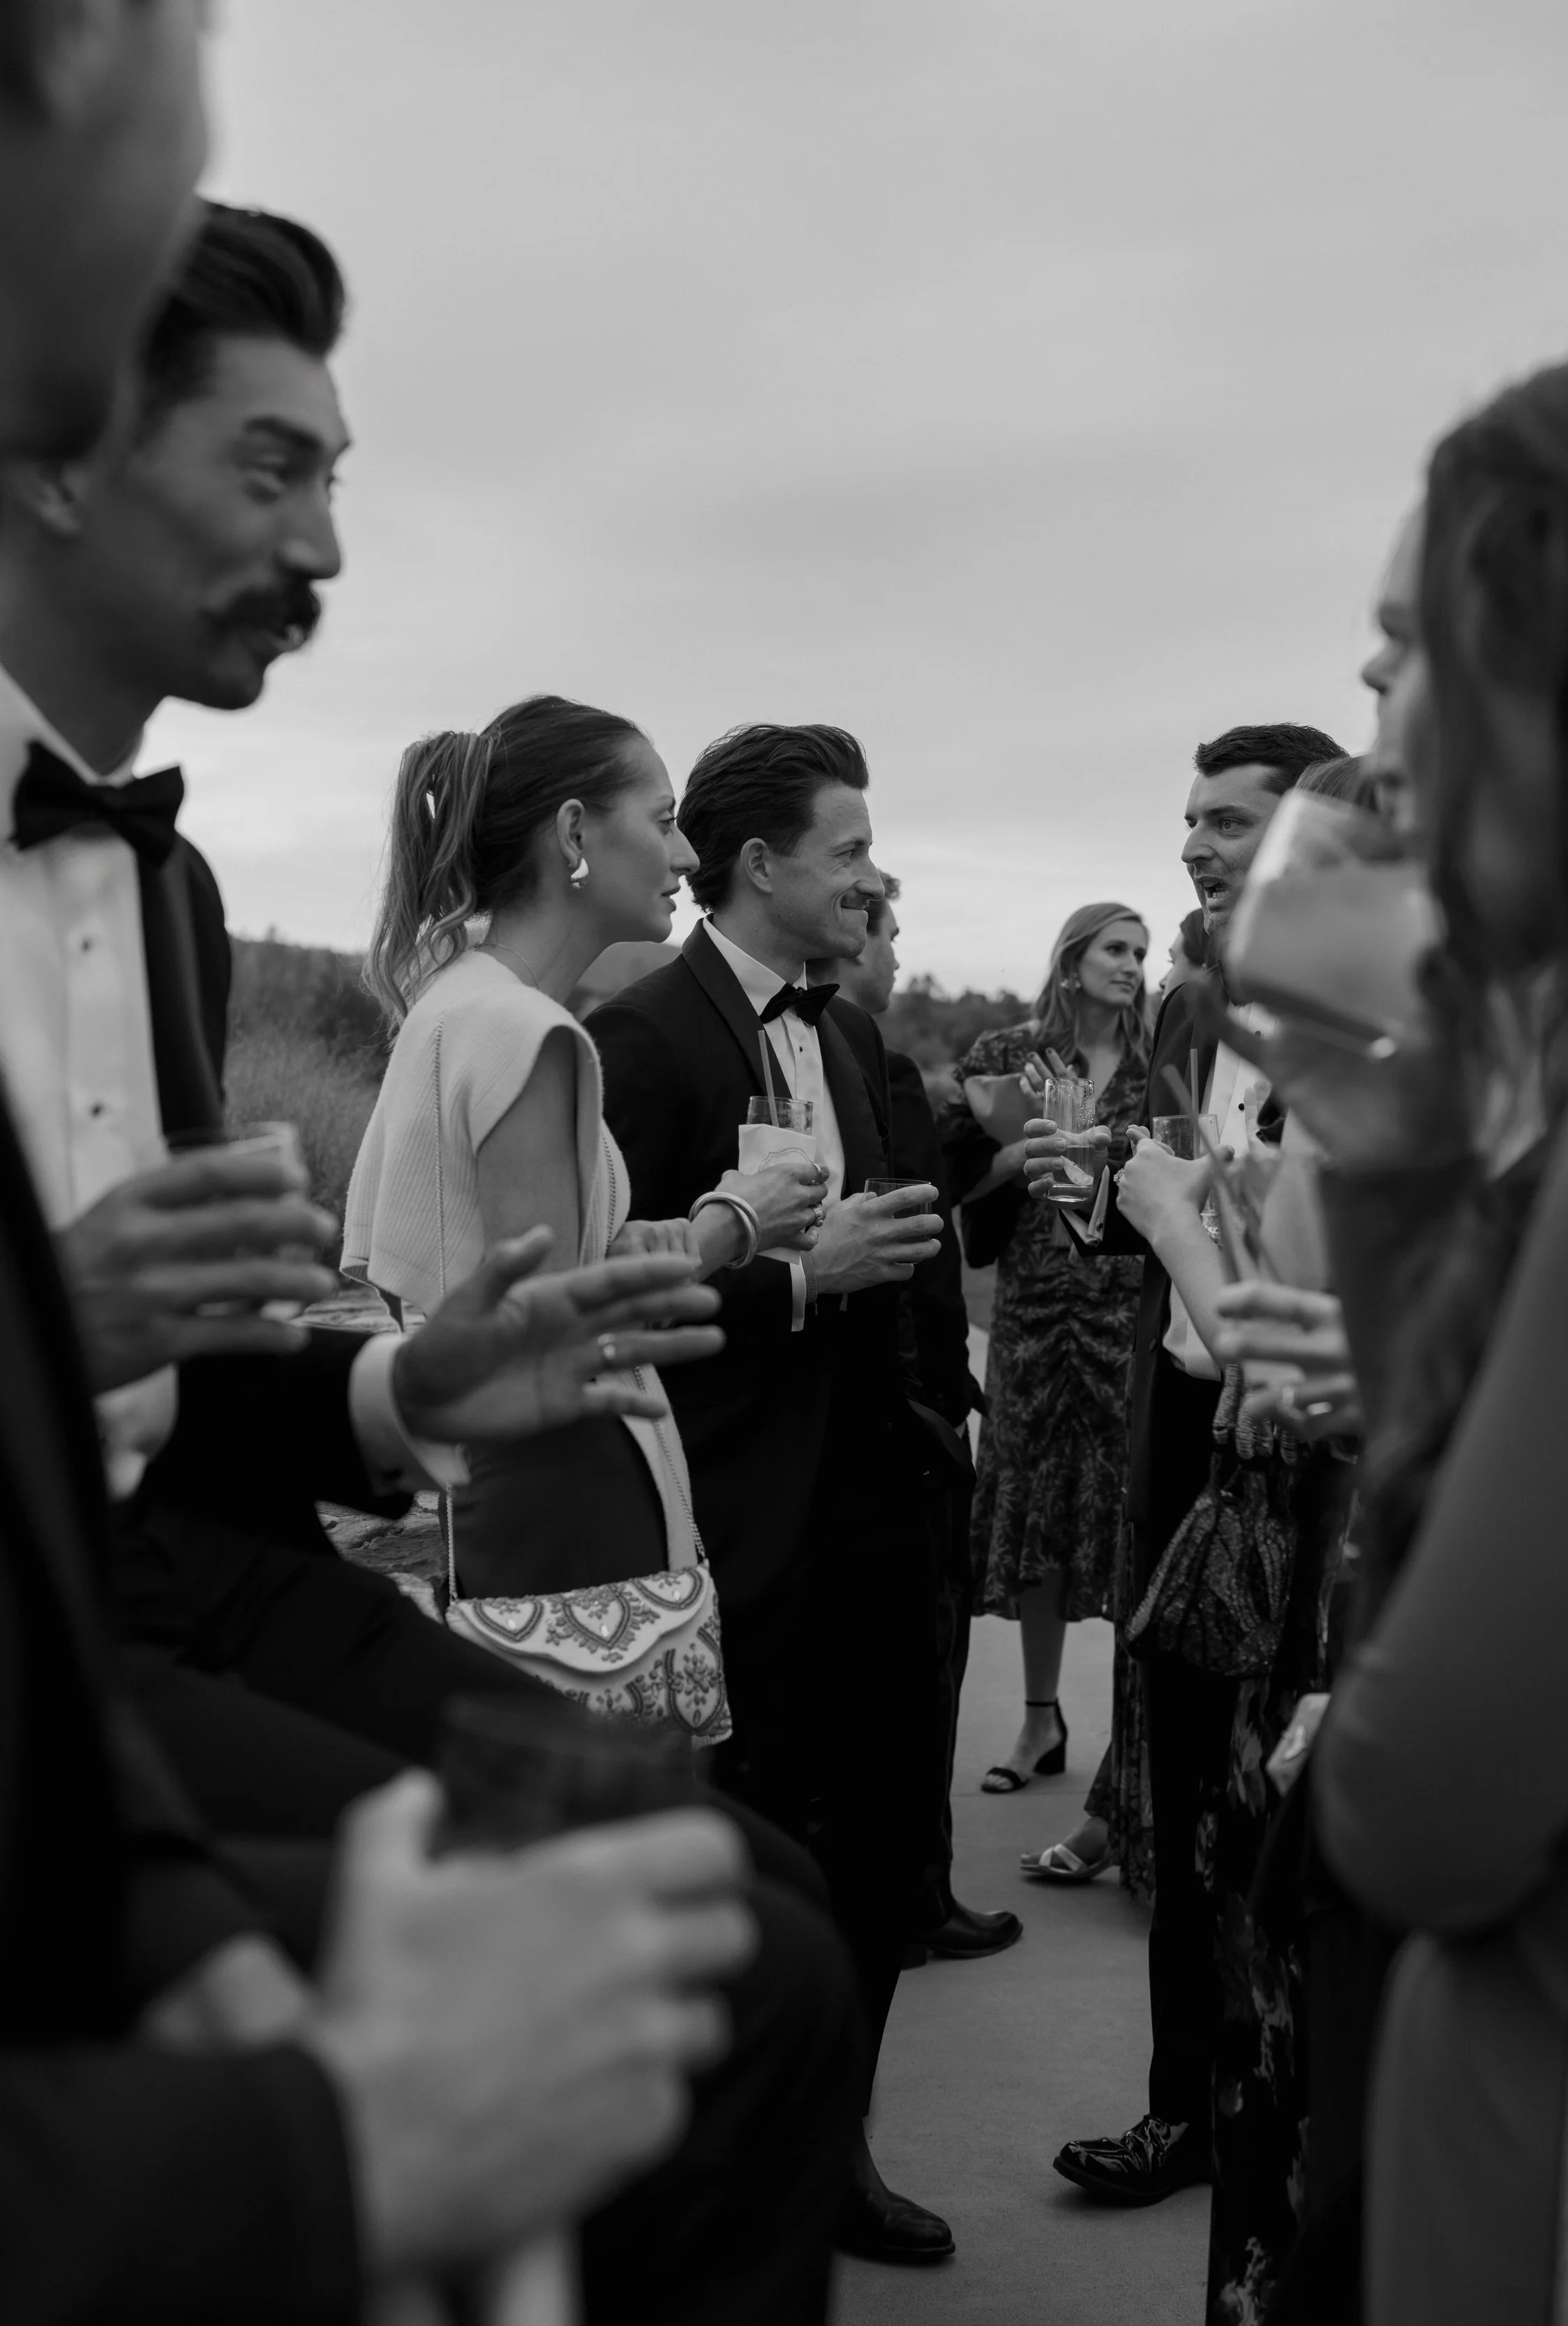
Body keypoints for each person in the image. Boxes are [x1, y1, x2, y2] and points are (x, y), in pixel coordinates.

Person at [0, 7, 863, 2321]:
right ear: (66, 442)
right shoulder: (509, 1026)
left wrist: (405, 1387)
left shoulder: (153, 890)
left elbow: (184, 1370)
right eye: (273, 467)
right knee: (732, 1974)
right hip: (87, 1614)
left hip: (196, 1553)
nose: (326, 545)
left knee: (748, 1903)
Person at [1261, 305, 1568, 2326]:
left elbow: (1413, 1810)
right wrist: (1396, 1153)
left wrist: (1388, 1173)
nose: (1380, 750)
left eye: (1415, 651)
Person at [589, 722, 957, 2265]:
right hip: (731, 1517)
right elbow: (610, 1296)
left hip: (878, 1507)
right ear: (757, 865)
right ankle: (702, 2177)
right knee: (738, 1855)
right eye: (849, 850)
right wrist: (803, 1277)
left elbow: (889, 1257)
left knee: (877, 1850)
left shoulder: (853, 1037)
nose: (871, 877)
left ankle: (833, 2147)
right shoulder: (636, 1040)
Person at [1027, 722, 1343, 2208]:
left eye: (1226, 820)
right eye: (1190, 819)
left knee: (1278, 1795)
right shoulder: (1184, 1005)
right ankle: (1182, 2111)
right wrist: (1099, 1199)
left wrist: (1177, 1215)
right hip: (1183, 1431)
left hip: (1310, 1455)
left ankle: (1291, 2111)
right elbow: (1168, 1193)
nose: (1194, 845)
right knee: (1176, 1774)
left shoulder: (1360, 1030)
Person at [345, 694, 827, 1613]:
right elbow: (553, 1326)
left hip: (506, 1486)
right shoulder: (527, 1032)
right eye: (663, 820)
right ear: (573, 832)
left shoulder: (455, 1002)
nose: (687, 856)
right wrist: (737, 1222)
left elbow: (543, 1269)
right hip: (571, 1491)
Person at [808, 872, 1021, 1964]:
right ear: (859, 941)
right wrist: (942, 1403)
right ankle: (920, 1892)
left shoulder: (825, 1050)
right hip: (909, 1417)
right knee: (924, 1670)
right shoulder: (876, 1064)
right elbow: (925, 1260)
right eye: (891, 935)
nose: (895, 956)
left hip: (875, 1415)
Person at [939, 903, 1153, 1797]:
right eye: (1115, 948)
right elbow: (954, 1181)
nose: (1132, 964)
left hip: (1125, 1315)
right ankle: (1038, 1718)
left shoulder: (1160, 1063)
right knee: (1038, 1517)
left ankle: (1128, 1743)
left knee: (1128, 1520)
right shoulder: (1005, 1054)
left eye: (1141, 952)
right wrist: (1017, 1146)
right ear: (1071, 962)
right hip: (1032, 1310)